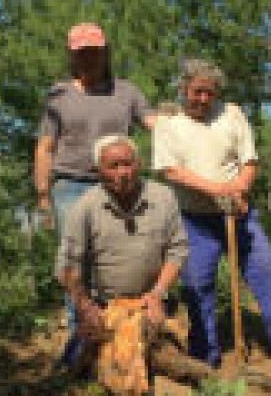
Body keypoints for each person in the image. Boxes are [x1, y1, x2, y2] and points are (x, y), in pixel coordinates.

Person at [33, 22, 156, 366]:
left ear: (105, 52)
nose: (89, 58)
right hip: (69, 185)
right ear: (73, 55)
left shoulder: (126, 91)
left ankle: (119, 339)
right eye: (82, 52)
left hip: (117, 186)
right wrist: (43, 195)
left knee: (116, 260)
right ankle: (80, 346)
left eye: (94, 52)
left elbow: (153, 122)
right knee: (76, 263)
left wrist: (183, 119)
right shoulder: (58, 95)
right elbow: (45, 147)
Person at [153, 59, 271, 368]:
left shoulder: (232, 114)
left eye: (209, 93)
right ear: (183, 89)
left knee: (268, 274)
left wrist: (240, 188)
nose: (203, 99)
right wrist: (218, 190)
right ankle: (205, 357)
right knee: (198, 286)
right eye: (197, 91)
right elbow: (171, 171)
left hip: (240, 215)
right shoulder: (168, 123)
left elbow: (249, 160)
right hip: (193, 220)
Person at [56, 135, 188, 392]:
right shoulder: (85, 207)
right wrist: (85, 307)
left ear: (138, 164)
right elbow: (67, 265)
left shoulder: (163, 197)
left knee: (170, 361)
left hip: (154, 300)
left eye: (128, 164)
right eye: (113, 166)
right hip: (106, 306)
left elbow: (178, 250)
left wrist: (158, 294)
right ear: (98, 171)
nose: (123, 173)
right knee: (71, 369)